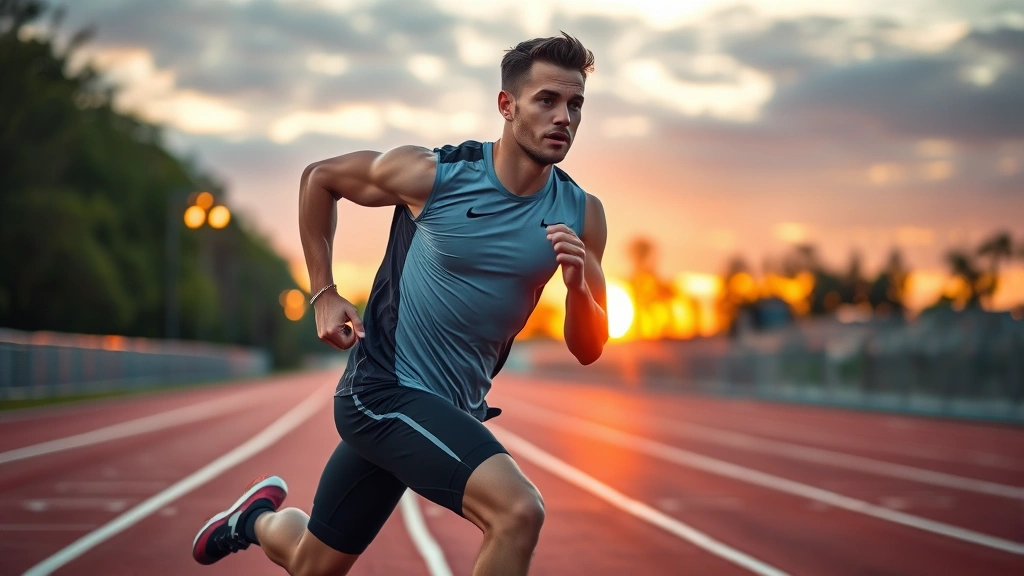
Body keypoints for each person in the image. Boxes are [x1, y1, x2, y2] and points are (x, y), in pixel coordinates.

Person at [192, 31, 608, 576]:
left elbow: (588, 348)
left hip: (452, 410)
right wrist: (324, 293)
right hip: (383, 391)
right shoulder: (436, 175)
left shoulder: (582, 212)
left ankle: (253, 522)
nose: (564, 118)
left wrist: (580, 288)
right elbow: (319, 179)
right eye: (547, 101)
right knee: (517, 511)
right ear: (507, 106)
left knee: (314, 564)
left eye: (575, 104)